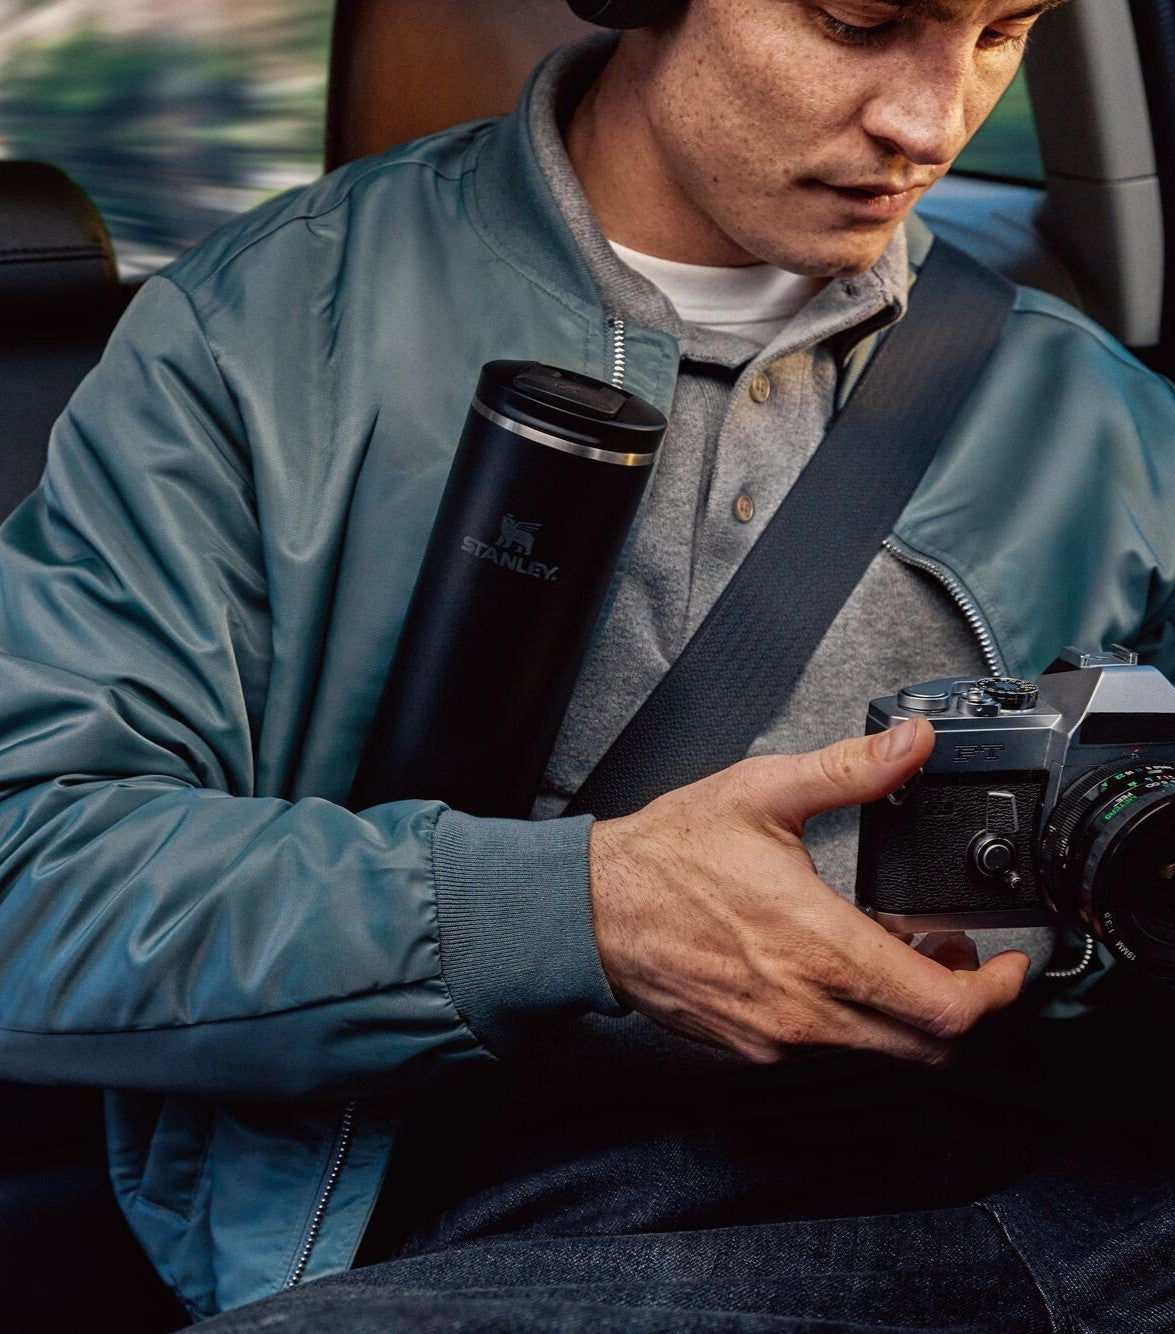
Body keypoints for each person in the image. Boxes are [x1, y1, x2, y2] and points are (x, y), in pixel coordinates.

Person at [2, 0, 1175, 1328]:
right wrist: (583, 911)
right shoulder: (257, 344)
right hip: (501, 1227)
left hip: (1059, 1212)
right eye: (858, 22)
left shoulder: (1105, 426)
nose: (933, 120)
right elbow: (26, 879)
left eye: (1000, 33)